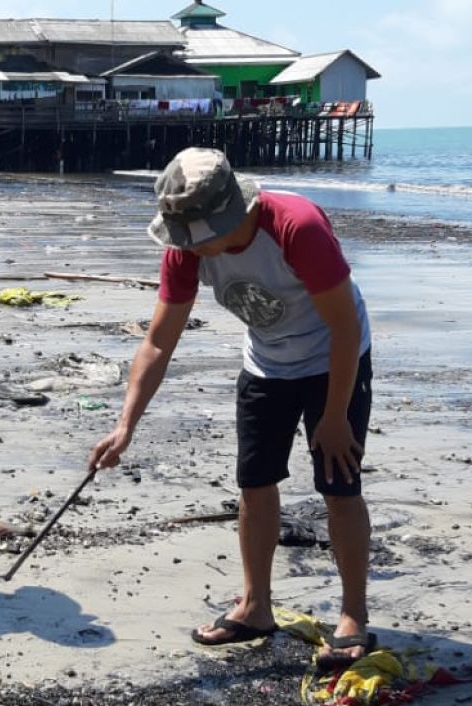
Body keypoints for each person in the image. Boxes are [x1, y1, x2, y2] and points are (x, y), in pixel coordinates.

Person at [89, 148, 375, 669]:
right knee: (255, 482)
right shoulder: (185, 246)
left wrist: (334, 418)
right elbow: (158, 341)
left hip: (334, 357)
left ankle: (353, 614)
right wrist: (125, 424)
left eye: (202, 234)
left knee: (339, 483)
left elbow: (345, 328)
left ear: (234, 212)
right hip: (267, 364)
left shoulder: (296, 227)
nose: (194, 247)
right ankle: (255, 605)